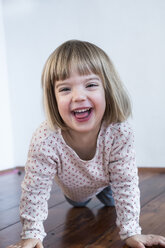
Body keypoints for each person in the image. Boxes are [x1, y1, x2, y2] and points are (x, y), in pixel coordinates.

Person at [7, 40, 165, 248]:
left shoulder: (119, 131)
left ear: (108, 90)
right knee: (78, 203)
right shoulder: (45, 138)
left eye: (90, 85)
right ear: (53, 99)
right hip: (73, 191)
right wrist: (31, 233)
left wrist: (131, 232)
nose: (78, 96)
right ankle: (83, 198)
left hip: (106, 181)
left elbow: (125, 182)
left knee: (111, 200)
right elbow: (35, 189)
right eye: (65, 89)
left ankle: (104, 194)